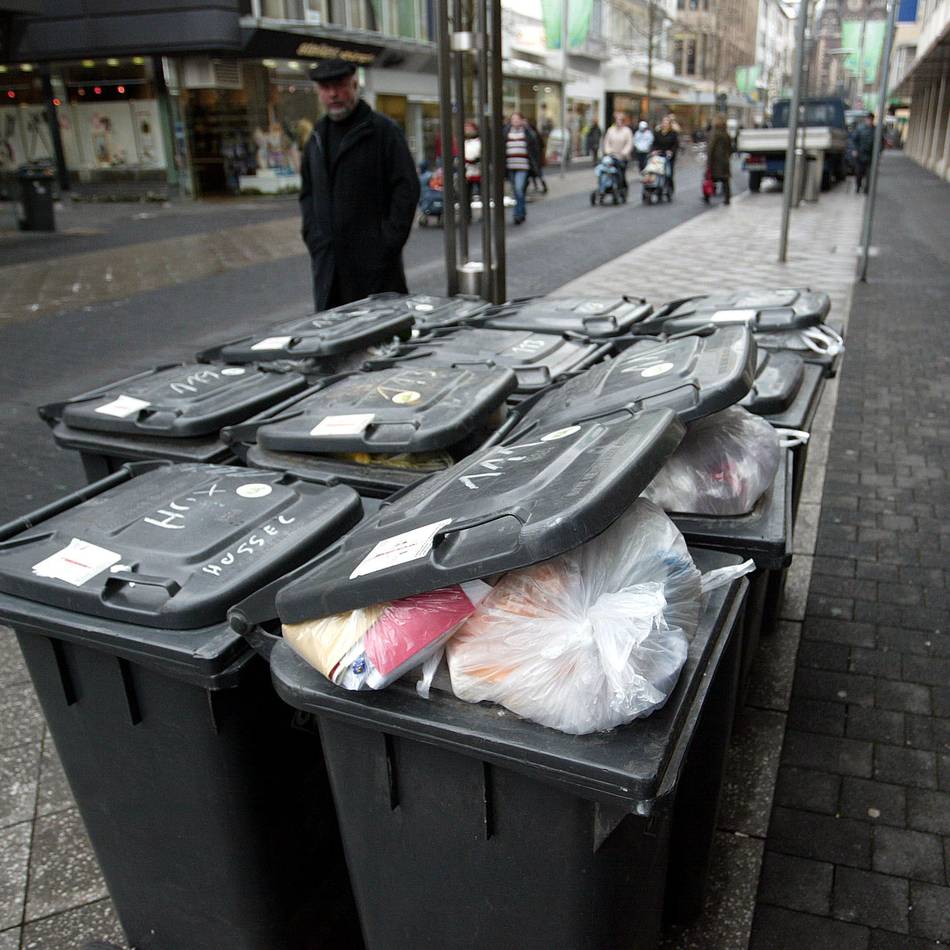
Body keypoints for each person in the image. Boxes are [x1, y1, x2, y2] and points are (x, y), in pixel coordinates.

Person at [299, 59, 419, 312]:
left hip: (375, 269)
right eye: (326, 88)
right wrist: (314, 237)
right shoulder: (317, 136)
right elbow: (308, 193)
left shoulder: (382, 131)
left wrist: (386, 244)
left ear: (354, 85)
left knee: (382, 331)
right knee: (334, 332)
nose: (333, 94)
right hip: (330, 268)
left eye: (340, 86)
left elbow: (406, 189)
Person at [503, 111, 541, 225]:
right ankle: (522, 210)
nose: (515, 121)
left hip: (523, 166)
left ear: (522, 120)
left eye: (517, 119)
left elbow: (535, 145)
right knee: (516, 190)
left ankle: (517, 214)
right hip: (510, 166)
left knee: (519, 189)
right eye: (513, 119)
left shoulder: (527, 132)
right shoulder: (506, 131)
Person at [602, 111, 634, 191]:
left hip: (622, 157)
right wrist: (608, 150)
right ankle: (607, 186)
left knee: (621, 173)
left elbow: (629, 143)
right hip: (612, 155)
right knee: (606, 171)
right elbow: (607, 142)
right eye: (617, 120)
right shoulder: (610, 130)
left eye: (620, 120)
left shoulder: (627, 131)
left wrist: (625, 152)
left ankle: (622, 187)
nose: (618, 122)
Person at [705, 114, 732, 205]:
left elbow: (711, 147)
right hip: (724, 160)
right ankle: (727, 198)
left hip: (715, 161)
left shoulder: (714, 133)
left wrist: (708, 161)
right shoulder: (726, 133)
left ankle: (707, 196)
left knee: (709, 178)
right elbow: (730, 147)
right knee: (725, 180)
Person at [653, 115, 680, 191]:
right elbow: (654, 143)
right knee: (657, 171)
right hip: (659, 154)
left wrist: (671, 151)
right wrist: (654, 150)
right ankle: (658, 186)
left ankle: (670, 186)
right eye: (663, 123)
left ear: (669, 124)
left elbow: (675, 145)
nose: (665, 124)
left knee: (669, 172)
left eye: (666, 123)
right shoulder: (658, 133)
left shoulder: (673, 133)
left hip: (669, 155)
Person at [851, 112, 875, 195]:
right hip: (860, 155)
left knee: (869, 174)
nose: (870, 121)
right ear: (866, 119)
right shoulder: (860, 129)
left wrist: (878, 153)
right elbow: (854, 140)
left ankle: (867, 189)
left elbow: (880, 142)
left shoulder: (875, 130)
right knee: (858, 173)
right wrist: (854, 150)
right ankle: (858, 186)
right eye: (868, 119)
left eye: (871, 119)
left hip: (870, 156)